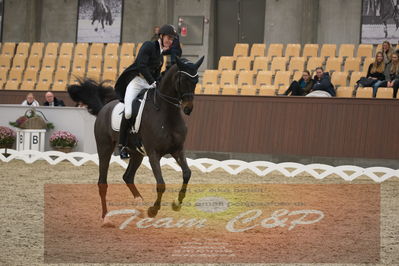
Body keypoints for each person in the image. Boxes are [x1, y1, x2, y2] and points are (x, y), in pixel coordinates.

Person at [114, 24, 177, 159]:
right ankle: (122, 145)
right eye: (168, 38)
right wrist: (152, 81)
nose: (170, 41)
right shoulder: (148, 45)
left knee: (152, 110)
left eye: (172, 39)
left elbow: (156, 74)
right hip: (137, 82)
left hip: (148, 84)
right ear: (161, 36)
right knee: (129, 111)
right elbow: (141, 65)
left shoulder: (161, 55)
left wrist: (160, 82)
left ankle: (143, 139)